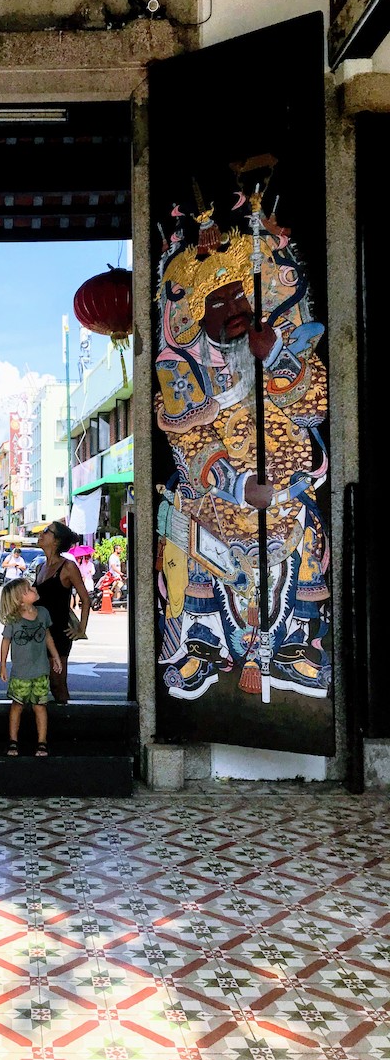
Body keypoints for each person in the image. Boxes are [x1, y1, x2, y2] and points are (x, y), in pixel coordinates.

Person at [154, 203, 330, 700]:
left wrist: (276, 357)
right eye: (217, 303)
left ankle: (294, 647)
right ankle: (201, 646)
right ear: (195, 317)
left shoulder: (284, 346)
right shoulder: (184, 376)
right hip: (220, 505)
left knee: (305, 547)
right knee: (192, 545)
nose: (233, 310)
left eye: (239, 297)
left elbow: (314, 404)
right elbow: (190, 442)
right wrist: (234, 484)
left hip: (285, 496)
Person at [0, 577, 62, 758]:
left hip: (41, 670)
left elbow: (48, 636)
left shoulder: (42, 613)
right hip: (20, 672)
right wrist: (3, 665)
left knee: (40, 706)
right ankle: (13, 741)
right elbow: (6, 641)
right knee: (17, 705)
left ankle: (42, 742)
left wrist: (55, 656)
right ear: (19, 599)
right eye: (28, 589)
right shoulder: (13, 619)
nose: (33, 589)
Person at [35, 522, 90, 704]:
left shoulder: (67, 567)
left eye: (46, 532)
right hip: (39, 632)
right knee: (45, 682)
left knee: (58, 683)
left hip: (59, 632)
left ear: (56, 541)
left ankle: (67, 722)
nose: (41, 534)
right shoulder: (40, 567)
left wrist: (81, 629)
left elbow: (85, 599)